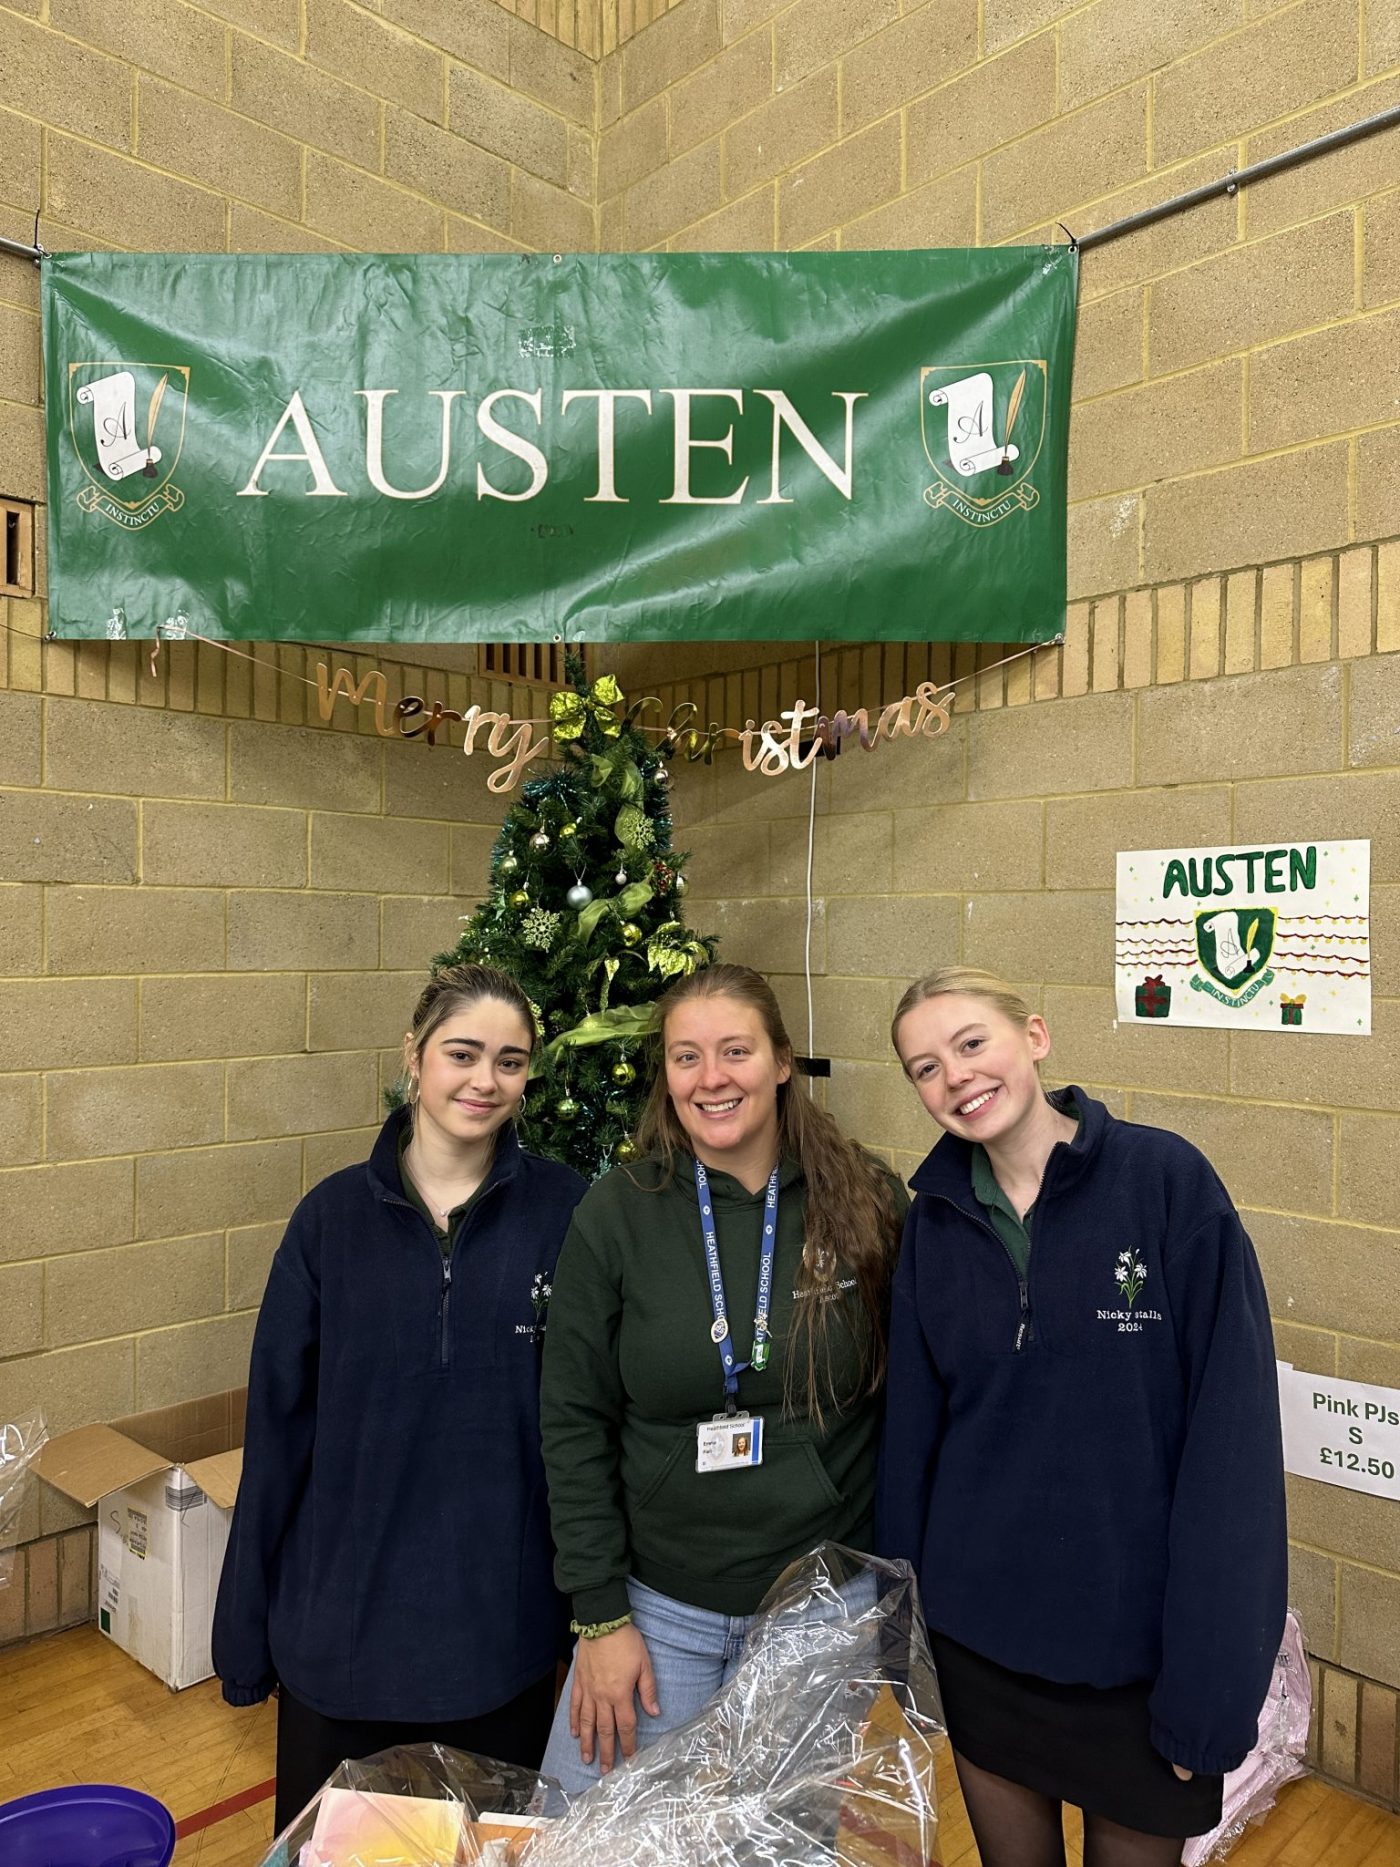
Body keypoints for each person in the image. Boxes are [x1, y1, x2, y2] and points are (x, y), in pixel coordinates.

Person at [879, 967, 1286, 1867]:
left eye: (972, 1043)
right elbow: (912, 1444)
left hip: (1140, 1664)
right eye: (925, 1067)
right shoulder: (935, 1221)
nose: (955, 1076)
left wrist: (1211, 1689)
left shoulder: (1166, 1183)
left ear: (1035, 1036)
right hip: (983, 1647)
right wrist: (902, 1640)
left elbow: (1234, 1457)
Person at [212, 963, 588, 1833]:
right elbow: (277, 1435)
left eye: (510, 1061)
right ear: (414, 1057)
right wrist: (243, 1631)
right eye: (463, 1053)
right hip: (342, 1647)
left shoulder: (568, 1213)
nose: (485, 1079)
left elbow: (590, 1429)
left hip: (501, 1646)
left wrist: (590, 1619)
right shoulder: (329, 1221)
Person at [539, 963, 906, 1793]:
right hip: (657, 1608)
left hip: (818, 1610)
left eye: (735, 1050)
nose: (711, 1078)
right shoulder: (617, 1211)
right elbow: (571, 1418)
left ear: (781, 1061)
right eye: (686, 1057)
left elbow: (911, 1398)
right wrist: (599, 1614)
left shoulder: (868, 1200)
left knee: (779, 1844)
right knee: (583, 1837)